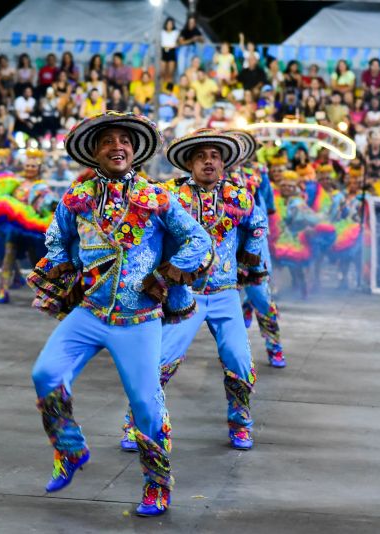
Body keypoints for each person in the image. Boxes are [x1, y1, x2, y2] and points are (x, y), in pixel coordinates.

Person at [27, 111, 211, 517]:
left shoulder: (157, 198)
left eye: (124, 140)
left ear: (135, 150)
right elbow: (57, 237)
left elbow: (197, 239)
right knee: (45, 374)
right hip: (90, 311)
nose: (117, 146)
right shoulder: (77, 197)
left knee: (146, 404)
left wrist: (171, 270)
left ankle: (157, 484)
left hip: (138, 318)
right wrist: (59, 261)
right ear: (94, 152)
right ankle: (69, 448)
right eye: (107, 141)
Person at [119, 127, 264, 457]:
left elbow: (257, 225)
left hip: (226, 292)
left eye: (214, 156)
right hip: (184, 295)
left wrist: (250, 261)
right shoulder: (171, 196)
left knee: (240, 359)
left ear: (224, 163)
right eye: (200, 157)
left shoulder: (240, 196)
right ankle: (137, 422)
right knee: (160, 361)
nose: (208, 162)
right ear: (188, 164)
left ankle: (240, 420)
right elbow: (145, 230)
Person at [229, 129, 287, 368]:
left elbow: (267, 206)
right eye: (235, 145)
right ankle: (234, 354)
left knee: (261, 296)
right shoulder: (217, 175)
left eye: (244, 146)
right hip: (227, 245)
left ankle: (274, 346)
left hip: (254, 243)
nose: (240, 150)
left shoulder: (258, 173)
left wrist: (263, 234)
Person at [0, 148, 57, 304]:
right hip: (14, 227)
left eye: (33, 166)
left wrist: (48, 204)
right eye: (27, 165)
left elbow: (47, 205)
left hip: (31, 228)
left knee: (35, 259)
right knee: (8, 255)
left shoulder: (42, 187)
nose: (29, 168)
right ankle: (4, 291)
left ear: (39, 169)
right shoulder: (16, 182)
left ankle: (43, 292)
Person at [161, 17, 179, 84]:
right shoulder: (162, 32)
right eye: (168, 24)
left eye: (171, 24)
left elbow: (178, 42)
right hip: (163, 51)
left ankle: (169, 89)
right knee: (162, 71)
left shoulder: (176, 32)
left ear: (173, 25)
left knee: (170, 72)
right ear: (166, 24)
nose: (169, 25)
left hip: (172, 51)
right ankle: (161, 87)